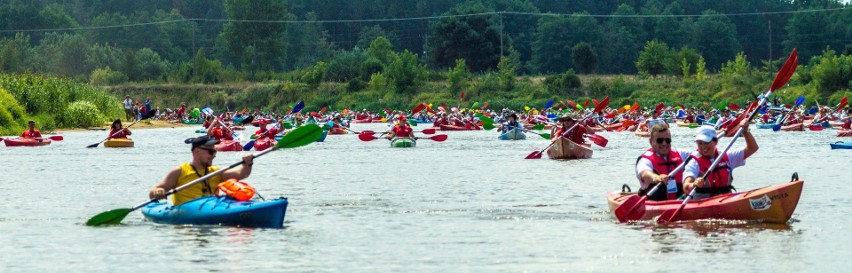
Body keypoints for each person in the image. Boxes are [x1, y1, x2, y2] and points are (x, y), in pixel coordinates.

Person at [149, 136, 253, 205]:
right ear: (197, 151)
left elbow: (242, 174)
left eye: (215, 152)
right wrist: (158, 191)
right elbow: (155, 190)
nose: (214, 156)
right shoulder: (179, 171)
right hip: (187, 216)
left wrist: (247, 163)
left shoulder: (216, 172)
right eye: (210, 152)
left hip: (212, 208)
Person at [682, 119, 758, 199]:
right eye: (699, 143)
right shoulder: (694, 162)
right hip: (703, 203)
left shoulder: (727, 156)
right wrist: (694, 184)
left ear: (715, 142)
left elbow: (752, 148)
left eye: (706, 142)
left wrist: (746, 132)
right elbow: (686, 187)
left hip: (726, 199)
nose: (703, 146)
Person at [635, 124, 692, 201]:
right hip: (655, 202)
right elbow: (645, 174)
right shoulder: (645, 160)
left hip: (681, 200)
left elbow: (699, 155)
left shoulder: (681, 154)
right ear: (651, 141)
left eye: (667, 140)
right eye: (660, 140)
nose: (664, 143)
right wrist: (657, 178)